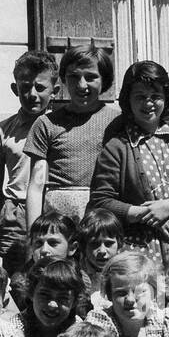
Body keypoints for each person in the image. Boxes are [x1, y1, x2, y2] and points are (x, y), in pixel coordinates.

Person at [88, 60, 169, 264]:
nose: (148, 103)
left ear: (166, 99)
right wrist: (149, 215)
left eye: (156, 96)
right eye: (140, 97)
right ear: (128, 100)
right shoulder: (116, 147)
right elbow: (101, 200)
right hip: (137, 251)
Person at [25, 46, 120, 225]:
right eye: (74, 77)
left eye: (91, 77)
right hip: (59, 219)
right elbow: (36, 186)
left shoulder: (117, 122)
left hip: (102, 218)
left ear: (104, 79)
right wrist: (34, 235)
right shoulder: (47, 124)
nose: (82, 85)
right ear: (64, 79)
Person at [0, 51, 58, 275]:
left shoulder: (62, 129)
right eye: (25, 87)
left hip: (52, 211)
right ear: (14, 89)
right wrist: (3, 212)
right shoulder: (3, 131)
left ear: (54, 91)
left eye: (40, 88)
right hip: (15, 215)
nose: (32, 94)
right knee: (14, 276)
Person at [22, 259, 87, 337]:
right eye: (44, 295)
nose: (52, 305)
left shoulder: (80, 334)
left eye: (63, 298)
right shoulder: (15, 330)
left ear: (75, 301)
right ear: (32, 293)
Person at [78, 207, 124, 308]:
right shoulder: (77, 275)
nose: (102, 251)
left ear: (119, 243)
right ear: (83, 245)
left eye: (108, 244)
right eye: (94, 244)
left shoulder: (124, 273)